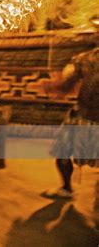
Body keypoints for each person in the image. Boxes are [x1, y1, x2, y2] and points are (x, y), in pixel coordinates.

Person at [43, 46, 99, 199]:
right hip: (80, 115)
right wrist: (54, 86)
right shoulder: (87, 58)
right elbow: (69, 84)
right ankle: (66, 188)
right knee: (62, 152)